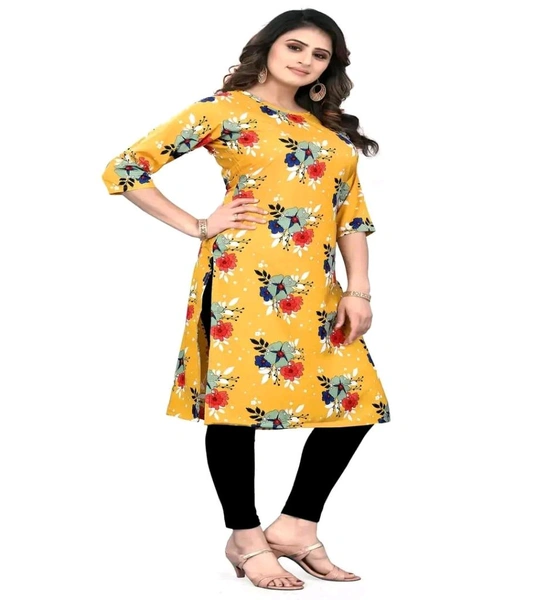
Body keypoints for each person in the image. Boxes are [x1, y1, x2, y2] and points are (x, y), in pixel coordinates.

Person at [102, 7, 390, 591]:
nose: (306, 60)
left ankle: (295, 527)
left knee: (358, 403)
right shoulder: (224, 110)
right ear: (267, 47)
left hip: (317, 286)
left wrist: (358, 289)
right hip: (242, 278)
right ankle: (244, 535)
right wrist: (198, 225)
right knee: (238, 406)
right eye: (296, 46)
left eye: (320, 55)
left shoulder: (329, 130)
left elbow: (351, 214)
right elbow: (125, 169)